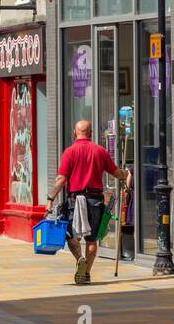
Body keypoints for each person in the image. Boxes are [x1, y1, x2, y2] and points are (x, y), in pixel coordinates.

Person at [46, 119, 132, 285]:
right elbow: (115, 173)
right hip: (95, 200)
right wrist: (126, 173)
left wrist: (50, 199)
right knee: (92, 240)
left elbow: (61, 179)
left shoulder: (69, 152)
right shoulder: (100, 151)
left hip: (75, 200)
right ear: (91, 133)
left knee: (72, 237)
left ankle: (80, 259)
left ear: (74, 132)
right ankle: (86, 273)